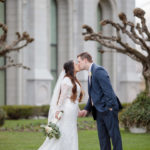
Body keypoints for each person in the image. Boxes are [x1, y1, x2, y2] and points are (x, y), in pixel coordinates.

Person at [77, 52, 123, 150]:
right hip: (98, 111)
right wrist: (86, 109)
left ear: (85, 60)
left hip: (108, 110)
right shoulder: (90, 73)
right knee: (103, 139)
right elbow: (93, 94)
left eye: (79, 61)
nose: (78, 64)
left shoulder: (98, 70)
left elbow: (108, 90)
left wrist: (109, 107)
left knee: (115, 138)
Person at [38, 60, 83, 150]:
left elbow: (74, 97)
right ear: (71, 67)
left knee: (71, 131)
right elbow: (62, 97)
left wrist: (78, 110)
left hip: (72, 109)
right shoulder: (66, 80)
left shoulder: (74, 80)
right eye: (75, 64)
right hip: (67, 109)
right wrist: (57, 110)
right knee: (66, 130)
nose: (78, 64)